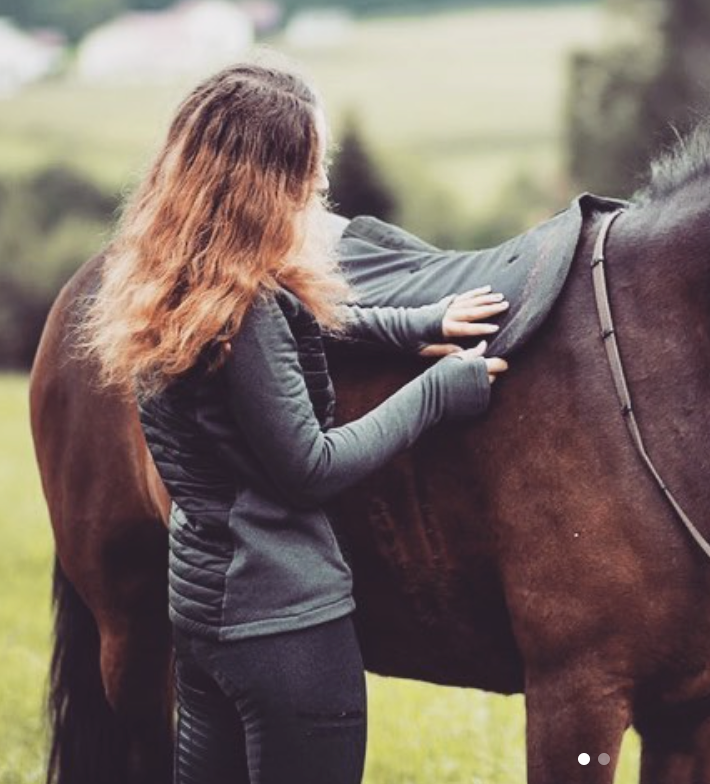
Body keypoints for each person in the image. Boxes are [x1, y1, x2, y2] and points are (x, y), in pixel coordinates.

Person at [78, 62, 509, 784]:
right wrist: (440, 390)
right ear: (265, 185)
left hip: (207, 624)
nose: (318, 191)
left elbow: (298, 329)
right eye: (309, 171)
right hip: (286, 635)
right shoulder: (249, 316)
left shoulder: (178, 290)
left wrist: (413, 324)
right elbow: (308, 467)